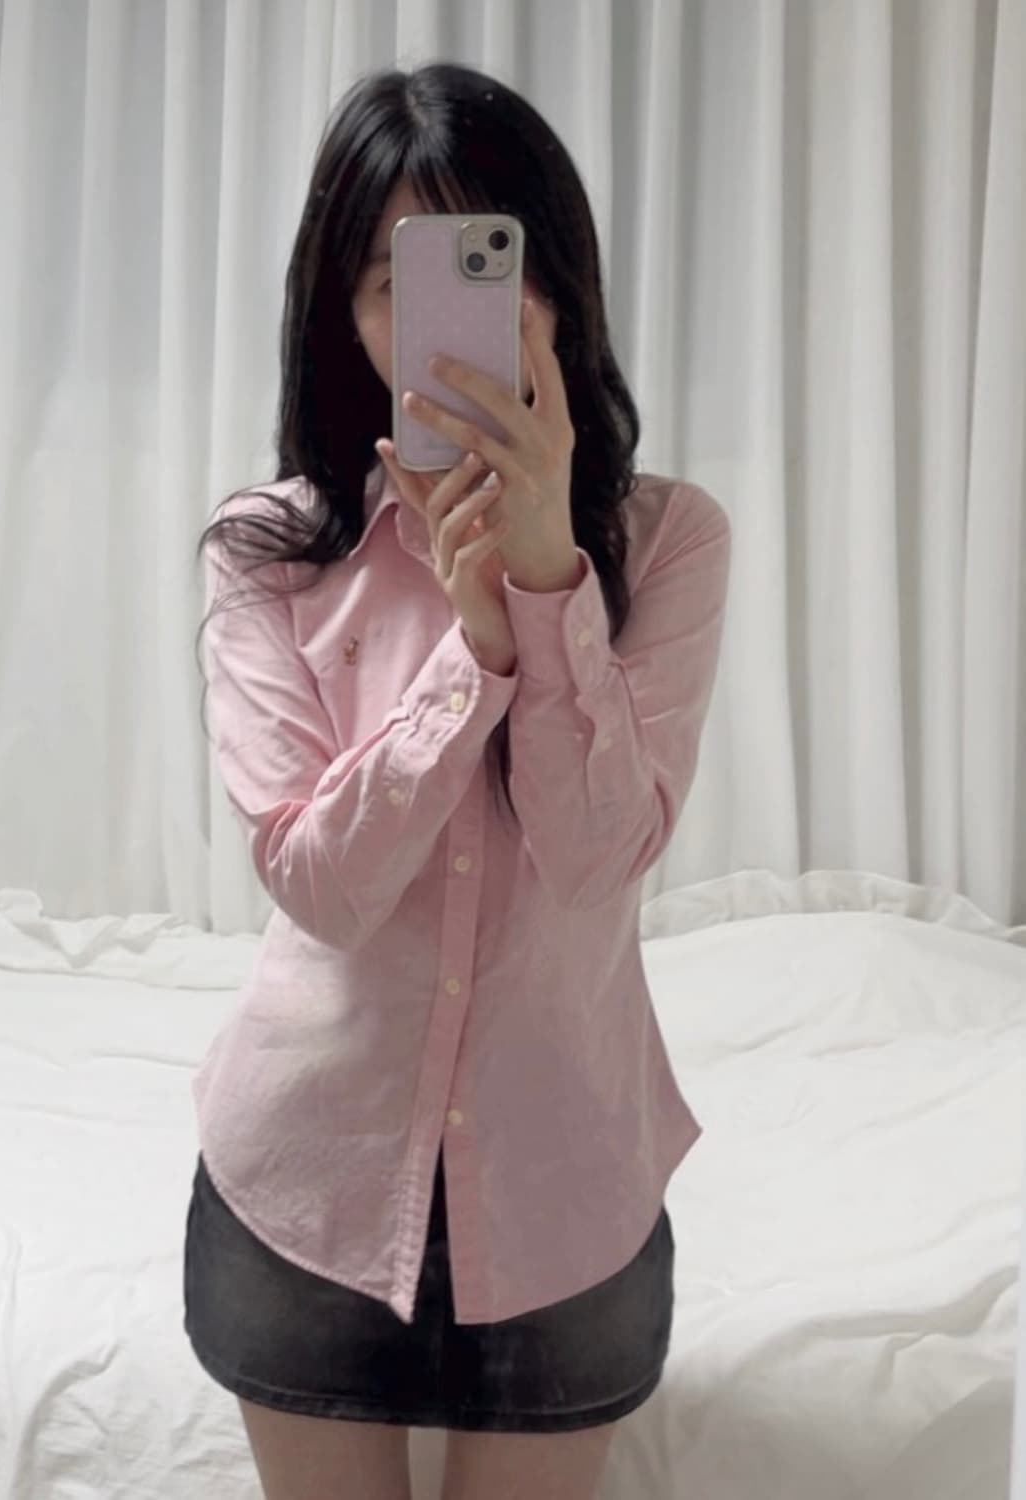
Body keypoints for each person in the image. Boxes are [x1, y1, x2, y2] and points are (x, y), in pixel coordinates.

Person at [183, 60, 731, 1500]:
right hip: (304, 1183)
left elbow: (598, 856)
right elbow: (320, 888)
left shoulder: (670, 542)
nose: (465, 316)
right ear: (346, 312)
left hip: (566, 1191)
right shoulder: (265, 551)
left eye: (496, 262)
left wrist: (548, 582)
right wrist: (472, 652)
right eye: (399, 278)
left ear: (560, 284)